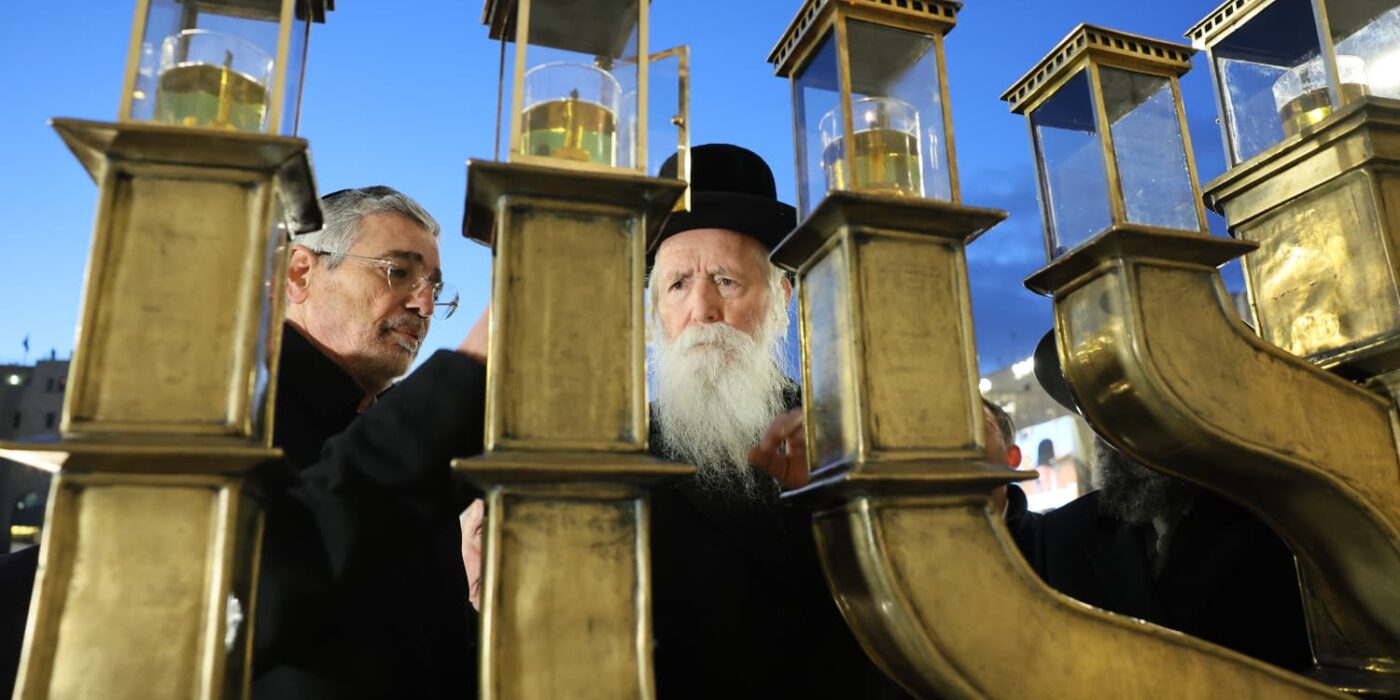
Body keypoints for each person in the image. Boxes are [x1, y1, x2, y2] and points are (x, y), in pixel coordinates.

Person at [0, 186, 493, 699]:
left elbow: (420, 632)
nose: (424, 304)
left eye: (435, 287)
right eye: (398, 271)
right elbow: (227, 604)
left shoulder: (397, 435)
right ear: (299, 273)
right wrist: (466, 377)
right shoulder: (219, 416)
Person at [1002, 329, 1313, 672]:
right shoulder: (1062, 534)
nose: (1121, 430)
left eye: (1143, 399)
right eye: (1102, 409)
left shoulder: (1285, 520)